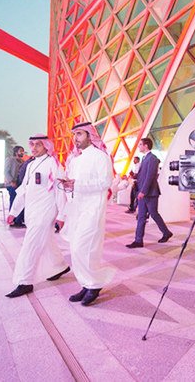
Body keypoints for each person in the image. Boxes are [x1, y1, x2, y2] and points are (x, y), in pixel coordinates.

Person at [5, 134, 70, 298]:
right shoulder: (31, 164)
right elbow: (23, 190)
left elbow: (60, 191)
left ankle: (24, 281)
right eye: (31, 144)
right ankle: (59, 266)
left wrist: (62, 214)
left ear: (46, 146)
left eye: (37, 145)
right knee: (46, 240)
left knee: (30, 244)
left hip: (46, 211)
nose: (33, 148)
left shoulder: (53, 164)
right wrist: (13, 212)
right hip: (32, 212)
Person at [60, 122, 115, 306]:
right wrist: (68, 185)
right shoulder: (76, 159)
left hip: (93, 209)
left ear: (90, 136)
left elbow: (105, 182)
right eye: (74, 134)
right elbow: (74, 183)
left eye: (80, 134)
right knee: (76, 248)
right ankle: (87, 284)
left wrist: (78, 185)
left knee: (83, 247)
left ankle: (94, 283)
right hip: (77, 208)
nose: (76, 138)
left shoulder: (100, 157)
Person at [126, 138, 173, 248]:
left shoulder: (152, 158)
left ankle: (166, 233)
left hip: (150, 193)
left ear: (146, 146)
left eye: (140, 144)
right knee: (141, 216)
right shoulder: (145, 158)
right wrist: (135, 177)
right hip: (144, 192)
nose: (139, 147)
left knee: (154, 214)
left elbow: (150, 176)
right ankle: (138, 241)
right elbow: (144, 175)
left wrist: (143, 191)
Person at [11, 152, 34, 228]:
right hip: (21, 185)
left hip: (22, 184)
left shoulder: (27, 162)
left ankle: (18, 220)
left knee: (21, 202)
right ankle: (16, 220)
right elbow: (22, 174)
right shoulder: (30, 163)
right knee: (19, 201)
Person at [5, 145, 24, 212]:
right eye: (21, 151)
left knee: (20, 201)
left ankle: (18, 219)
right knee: (13, 200)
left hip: (20, 184)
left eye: (23, 151)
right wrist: (11, 181)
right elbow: (6, 172)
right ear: (16, 152)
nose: (22, 152)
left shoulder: (23, 161)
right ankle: (12, 219)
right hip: (12, 184)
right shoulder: (10, 160)